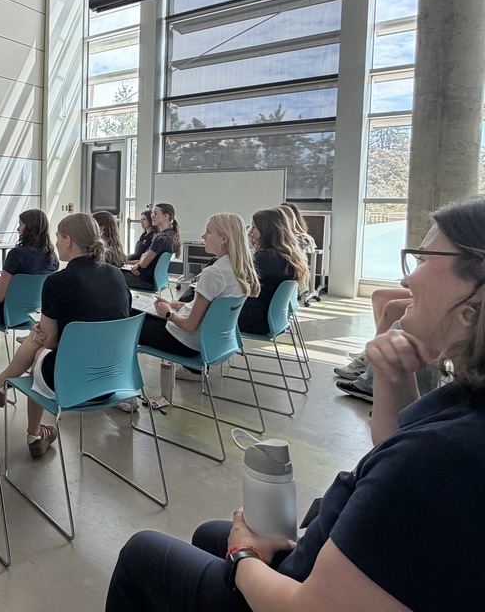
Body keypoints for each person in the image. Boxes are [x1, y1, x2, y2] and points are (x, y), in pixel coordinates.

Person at [105, 196, 485, 612]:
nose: (407, 281)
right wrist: (394, 380)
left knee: (143, 550)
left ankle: (125, 390)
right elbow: (396, 455)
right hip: (226, 346)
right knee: (207, 533)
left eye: (424, 257)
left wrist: (243, 555)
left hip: (296, 589)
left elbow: (311, 604)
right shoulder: (460, 409)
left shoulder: (444, 455)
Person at [0, 213, 131, 458]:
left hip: (71, 379)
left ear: (69, 240)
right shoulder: (116, 274)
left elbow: (48, 341)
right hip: (115, 377)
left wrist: (45, 334)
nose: (57, 242)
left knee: (39, 342)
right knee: (41, 338)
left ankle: (32, 430)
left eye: (59, 237)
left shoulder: (58, 281)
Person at [137, 213, 259, 362]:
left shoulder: (214, 273)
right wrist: (174, 305)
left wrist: (168, 313)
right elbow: (210, 309)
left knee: (131, 323)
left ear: (224, 239)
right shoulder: (241, 269)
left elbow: (190, 325)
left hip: (184, 341)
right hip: (211, 342)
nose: (203, 236)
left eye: (208, 232)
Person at [237, 208, 309, 335]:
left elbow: (239, 281)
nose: (251, 232)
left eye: (254, 227)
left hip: (255, 320)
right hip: (274, 320)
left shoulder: (265, 258)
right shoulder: (289, 256)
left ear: (267, 230)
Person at [0, 209, 59, 325]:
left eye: (20, 224)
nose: (18, 229)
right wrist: (6, 282)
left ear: (29, 227)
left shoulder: (16, 254)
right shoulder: (52, 256)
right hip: (36, 315)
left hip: (5, 315)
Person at [125, 203, 182, 291]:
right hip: (157, 280)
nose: (152, 216)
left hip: (145, 281)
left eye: (155, 213)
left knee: (113, 275)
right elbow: (145, 261)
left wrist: (143, 257)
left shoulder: (160, 238)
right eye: (152, 214)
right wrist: (140, 261)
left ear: (165, 216)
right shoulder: (171, 236)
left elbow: (144, 264)